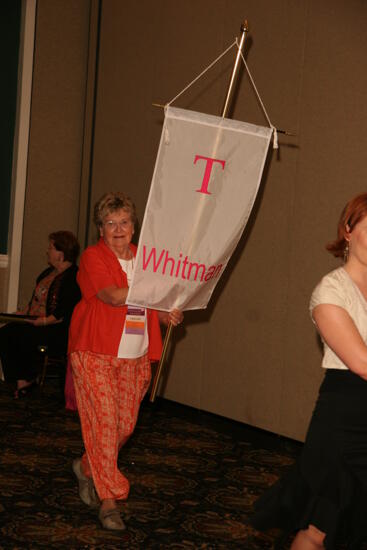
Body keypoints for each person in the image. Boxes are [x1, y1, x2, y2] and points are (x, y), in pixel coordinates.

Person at [252, 193, 367, 549]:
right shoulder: (330, 290)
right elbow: (363, 364)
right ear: (348, 231)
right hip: (343, 419)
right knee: (319, 524)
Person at [68, 191, 183, 532]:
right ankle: (110, 500)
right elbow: (113, 296)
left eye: (124, 222)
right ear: (100, 229)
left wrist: (167, 314)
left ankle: (87, 466)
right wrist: (151, 289)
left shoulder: (145, 259)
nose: (118, 229)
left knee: (123, 427)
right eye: (110, 223)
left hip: (136, 356)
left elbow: (153, 308)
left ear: (134, 226)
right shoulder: (93, 257)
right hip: (95, 352)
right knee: (104, 424)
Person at [0, 231, 81, 398]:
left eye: (51, 248)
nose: (47, 251)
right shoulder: (47, 273)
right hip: (36, 322)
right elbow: (34, 302)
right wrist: (20, 314)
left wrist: (42, 321)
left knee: (18, 334)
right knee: (6, 332)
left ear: (61, 253)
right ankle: (23, 379)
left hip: (56, 328)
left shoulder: (73, 276)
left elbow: (63, 312)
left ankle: (27, 378)